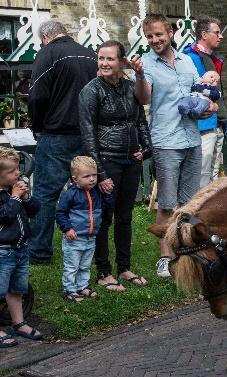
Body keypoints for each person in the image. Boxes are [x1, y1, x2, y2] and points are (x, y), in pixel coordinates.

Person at [131, 13, 211, 278]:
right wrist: (140, 76)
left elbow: (199, 93)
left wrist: (207, 107)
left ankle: (186, 253)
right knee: (166, 203)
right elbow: (144, 98)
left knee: (189, 203)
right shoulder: (147, 65)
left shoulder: (188, 61)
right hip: (166, 141)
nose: (155, 40)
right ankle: (165, 257)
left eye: (159, 34)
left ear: (171, 33)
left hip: (191, 138)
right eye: (150, 36)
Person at [78, 40, 152, 291]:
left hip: (131, 159)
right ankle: (103, 271)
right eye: (101, 58)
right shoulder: (91, 90)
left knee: (125, 217)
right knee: (105, 218)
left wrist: (146, 146)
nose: (104, 63)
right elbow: (87, 134)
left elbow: (140, 120)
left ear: (122, 62)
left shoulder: (131, 87)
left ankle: (124, 267)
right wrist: (99, 173)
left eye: (110, 59)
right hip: (107, 159)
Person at [27, 20, 97, 265]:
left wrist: (37, 126)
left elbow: (36, 95)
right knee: (85, 193)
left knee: (45, 196)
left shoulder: (48, 53)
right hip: (87, 135)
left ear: (46, 37)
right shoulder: (91, 55)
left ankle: (39, 253)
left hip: (55, 134)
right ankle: (85, 245)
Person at [0, 148, 42, 347]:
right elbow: (6, 216)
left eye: (18, 168)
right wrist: (16, 197)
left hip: (20, 248)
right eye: (11, 171)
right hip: (2, 251)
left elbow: (35, 210)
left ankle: (19, 322)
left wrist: (25, 198)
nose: (17, 173)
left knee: (17, 289)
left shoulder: (14, 191)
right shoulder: (4, 196)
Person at [56, 156, 112, 302]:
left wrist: (107, 195)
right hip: (74, 238)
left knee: (85, 265)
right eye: (87, 176)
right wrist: (67, 229)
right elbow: (60, 213)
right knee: (72, 266)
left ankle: (82, 286)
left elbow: (105, 207)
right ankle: (69, 289)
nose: (92, 179)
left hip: (90, 237)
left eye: (94, 175)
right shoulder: (70, 195)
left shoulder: (96, 193)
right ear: (75, 179)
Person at [182, 16, 227, 188]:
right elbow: (187, 92)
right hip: (203, 126)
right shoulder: (189, 58)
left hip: (218, 123)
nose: (221, 36)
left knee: (213, 176)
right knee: (202, 174)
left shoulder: (213, 58)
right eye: (217, 32)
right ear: (204, 34)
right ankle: (196, 212)